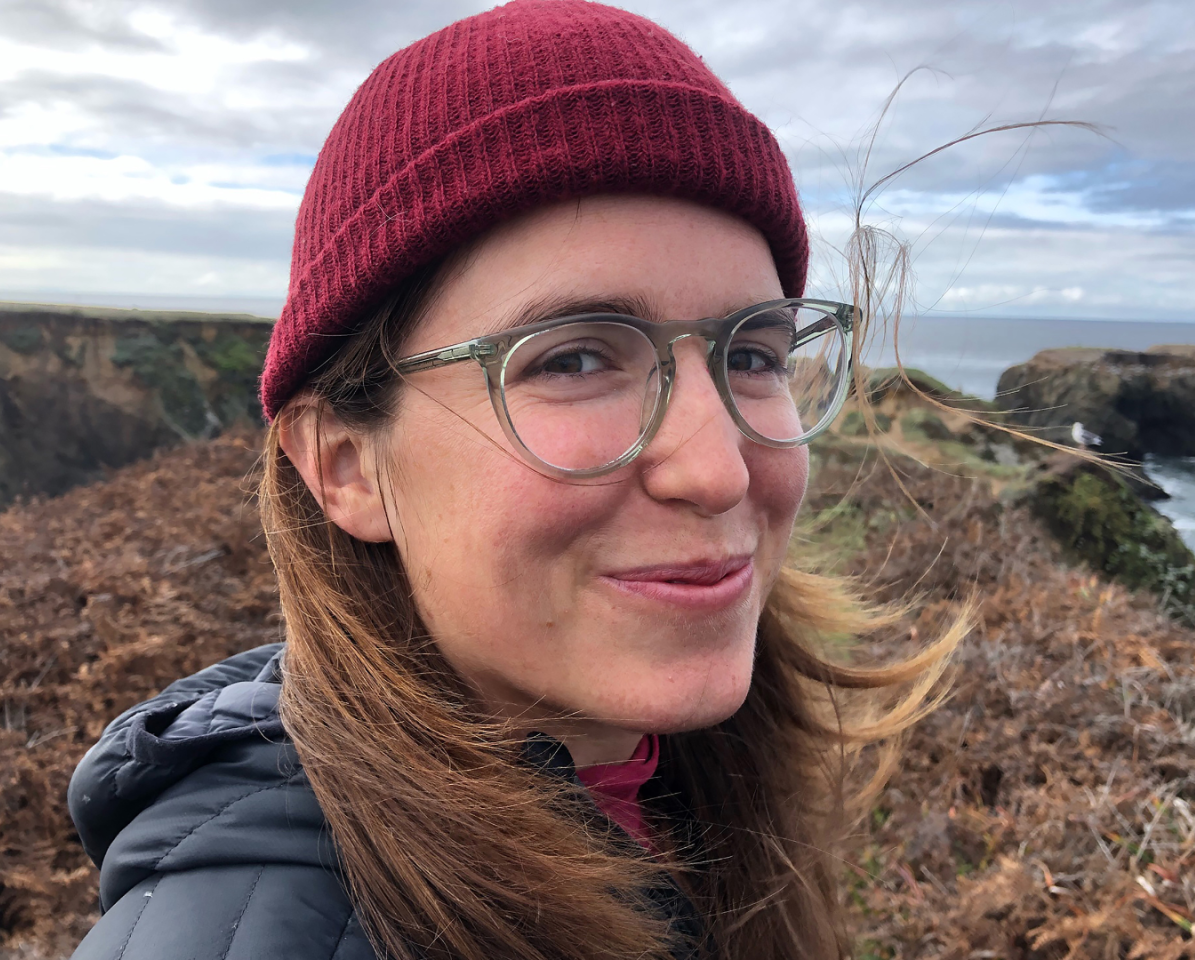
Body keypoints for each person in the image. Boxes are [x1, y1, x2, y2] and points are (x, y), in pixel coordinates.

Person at [66, 3, 962, 958]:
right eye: (574, 360)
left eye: (755, 354)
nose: (715, 467)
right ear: (345, 468)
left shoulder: (684, 784)